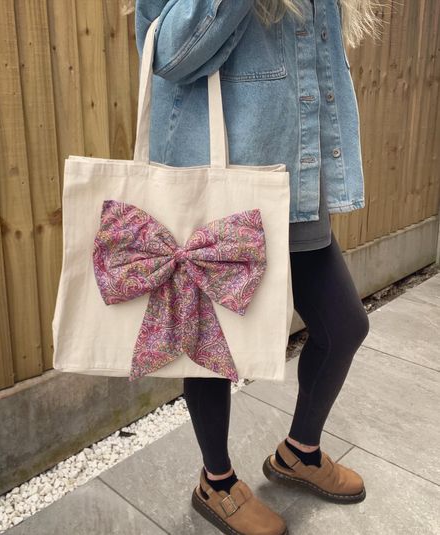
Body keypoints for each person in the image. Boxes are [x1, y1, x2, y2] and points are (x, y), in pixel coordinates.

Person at [135, 1, 382, 533]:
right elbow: (168, 52)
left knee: (344, 326)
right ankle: (216, 481)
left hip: (295, 177)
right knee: (210, 345)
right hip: (221, 184)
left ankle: (299, 452)